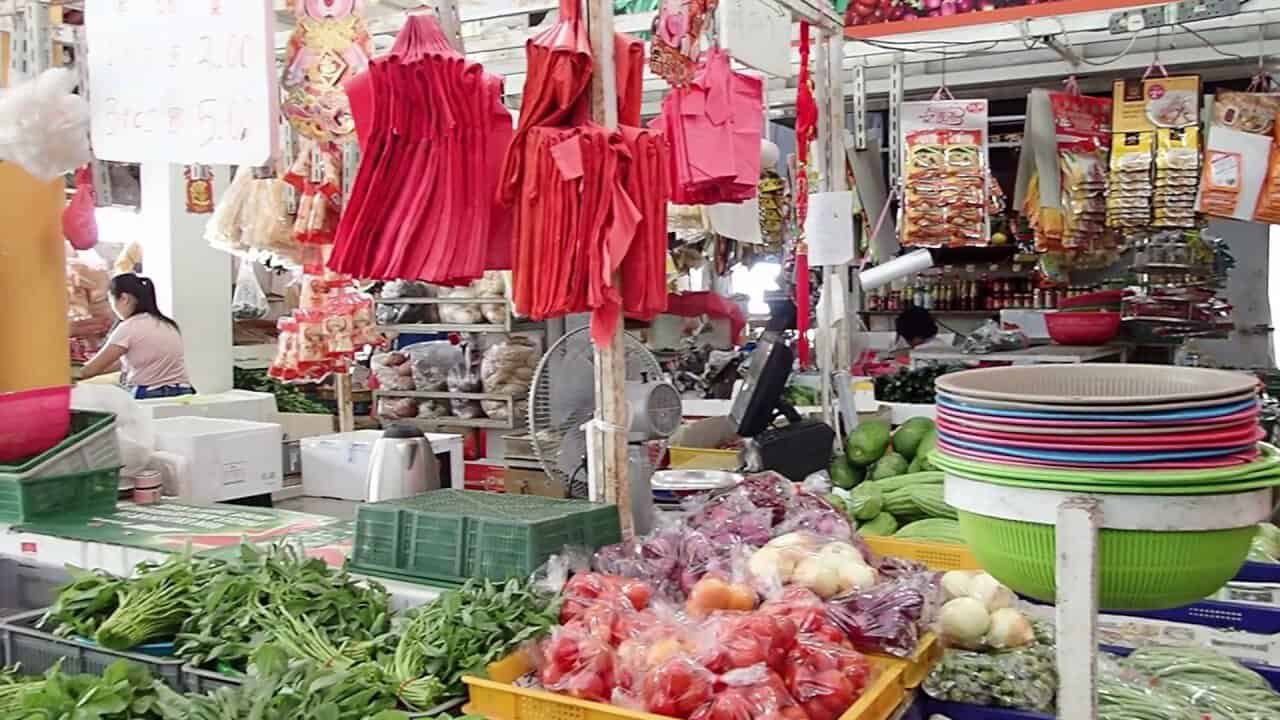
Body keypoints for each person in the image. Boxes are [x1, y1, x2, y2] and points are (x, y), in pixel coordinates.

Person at [80, 273, 194, 399]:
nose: (112, 308)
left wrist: (69, 374)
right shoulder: (168, 324)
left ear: (124, 298)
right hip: (184, 392)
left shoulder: (128, 327)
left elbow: (90, 370)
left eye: (110, 300)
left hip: (149, 394)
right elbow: (133, 361)